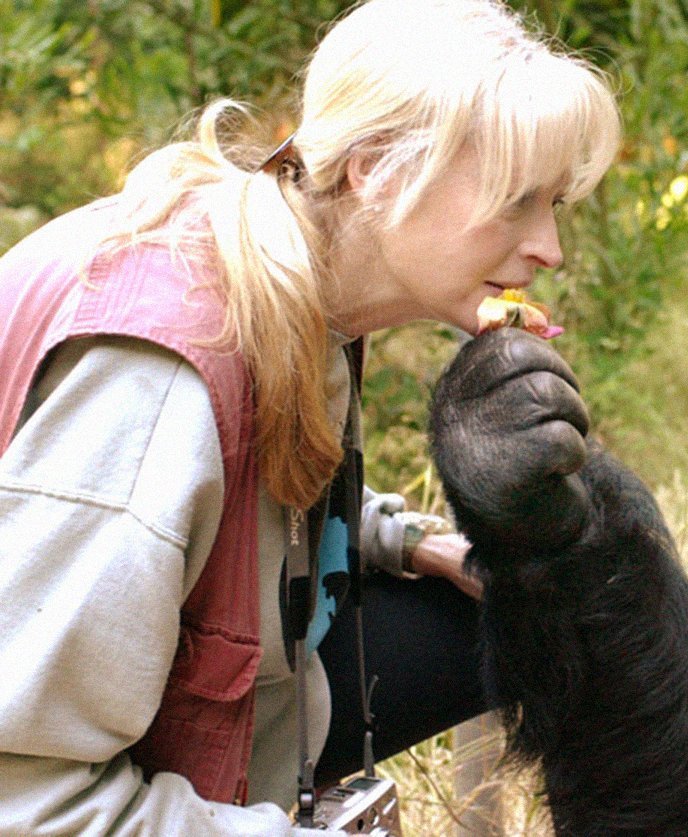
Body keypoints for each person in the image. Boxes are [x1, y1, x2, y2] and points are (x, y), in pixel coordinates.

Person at [0, 0, 620, 831]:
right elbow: (25, 795)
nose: (550, 247)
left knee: (545, 607)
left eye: (556, 205)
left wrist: (404, 541)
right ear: (375, 168)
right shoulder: (159, 381)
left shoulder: (291, 273)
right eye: (516, 201)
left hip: (213, 710)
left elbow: (223, 502)